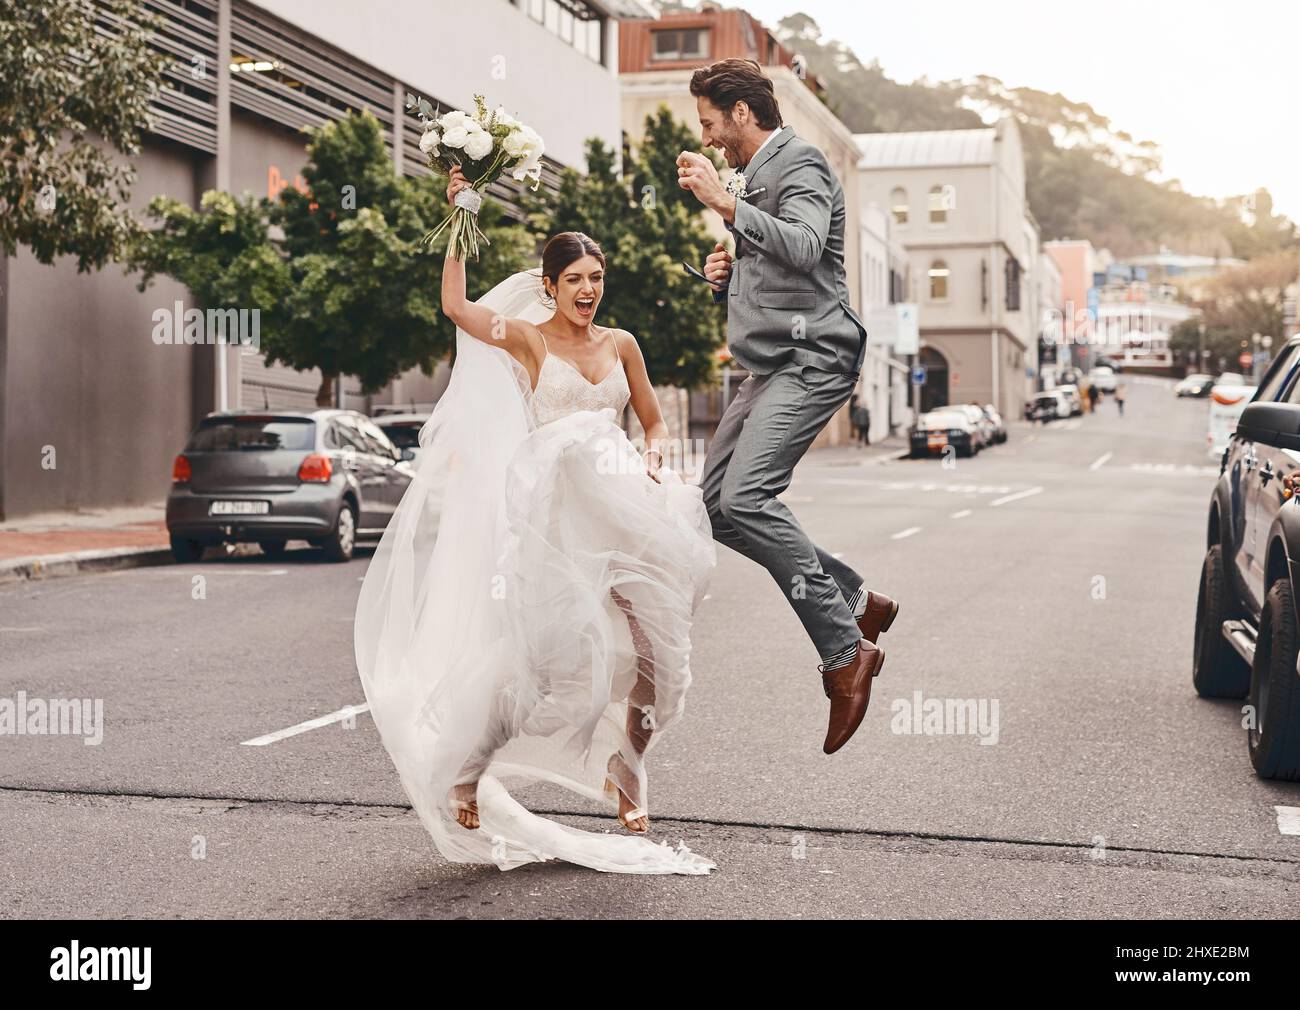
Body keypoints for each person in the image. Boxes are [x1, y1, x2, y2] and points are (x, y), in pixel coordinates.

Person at [353, 167, 717, 875]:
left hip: (622, 513)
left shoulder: (623, 345)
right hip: (553, 524)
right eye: (574, 279)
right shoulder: (527, 340)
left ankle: (630, 767)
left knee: (661, 663)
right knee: (548, 669)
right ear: (548, 285)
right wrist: (461, 214)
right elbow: (456, 305)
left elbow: (651, 422)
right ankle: (471, 768)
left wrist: (652, 457)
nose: (588, 290)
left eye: (596, 277)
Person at [676, 59, 897, 755]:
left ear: (744, 113)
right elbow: (775, 267)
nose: (710, 140)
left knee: (747, 497)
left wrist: (726, 205)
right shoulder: (759, 175)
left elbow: (804, 246)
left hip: (812, 359)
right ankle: (858, 602)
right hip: (766, 365)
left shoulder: (800, 163)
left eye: (712, 124)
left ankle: (845, 651)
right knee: (712, 506)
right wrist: (726, 271)